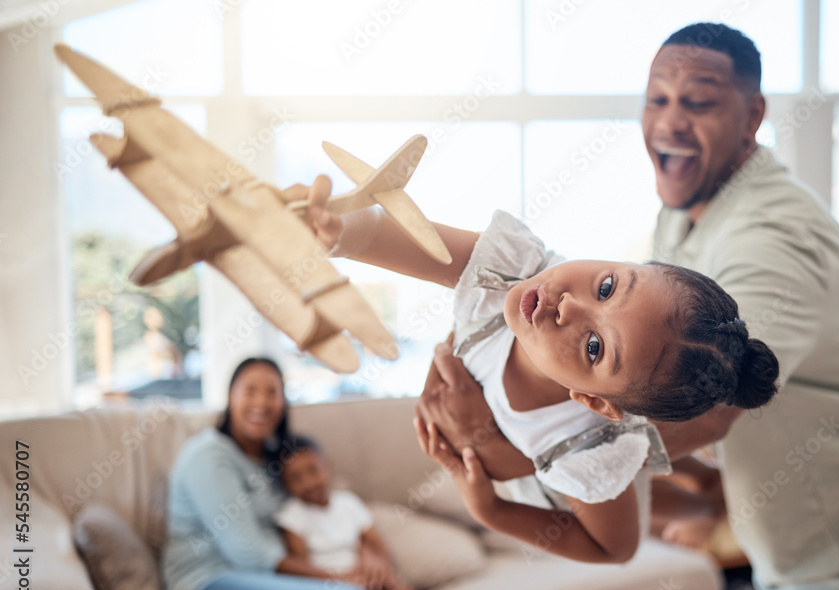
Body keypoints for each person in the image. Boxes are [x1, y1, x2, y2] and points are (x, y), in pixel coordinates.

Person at [413, 23, 839, 590]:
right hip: (791, 539)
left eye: (697, 101)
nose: (669, 121)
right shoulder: (689, 205)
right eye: (657, 98)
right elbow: (646, 369)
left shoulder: (769, 240)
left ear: (752, 115)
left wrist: (510, 448)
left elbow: (704, 411)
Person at [284, 176, 780, 564]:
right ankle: (707, 486)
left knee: (645, 491)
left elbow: (614, 548)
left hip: (554, 477)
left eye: (592, 347)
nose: (568, 305)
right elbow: (386, 235)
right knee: (652, 464)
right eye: (607, 287)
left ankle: (708, 504)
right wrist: (336, 230)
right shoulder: (513, 271)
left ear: (593, 401)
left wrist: (492, 511)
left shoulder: (588, 451)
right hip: (594, 434)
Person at [161, 357, 412, 590]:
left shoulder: (273, 461)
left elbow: (320, 513)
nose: (261, 403)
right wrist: (336, 579)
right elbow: (248, 553)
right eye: (250, 391)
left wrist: (367, 551)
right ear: (230, 397)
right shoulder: (208, 455)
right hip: (206, 589)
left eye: (272, 392)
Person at [272, 435, 490, 590]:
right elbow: (302, 566)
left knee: (399, 588)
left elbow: (375, 543)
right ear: (285, 485)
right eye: (296, 478)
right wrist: (343, 579)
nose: (308, 482)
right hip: (333, 589)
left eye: (313, 471)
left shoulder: (347, 503)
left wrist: (379, 566)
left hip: (367, 578)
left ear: (327, 466)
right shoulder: (293, 516)